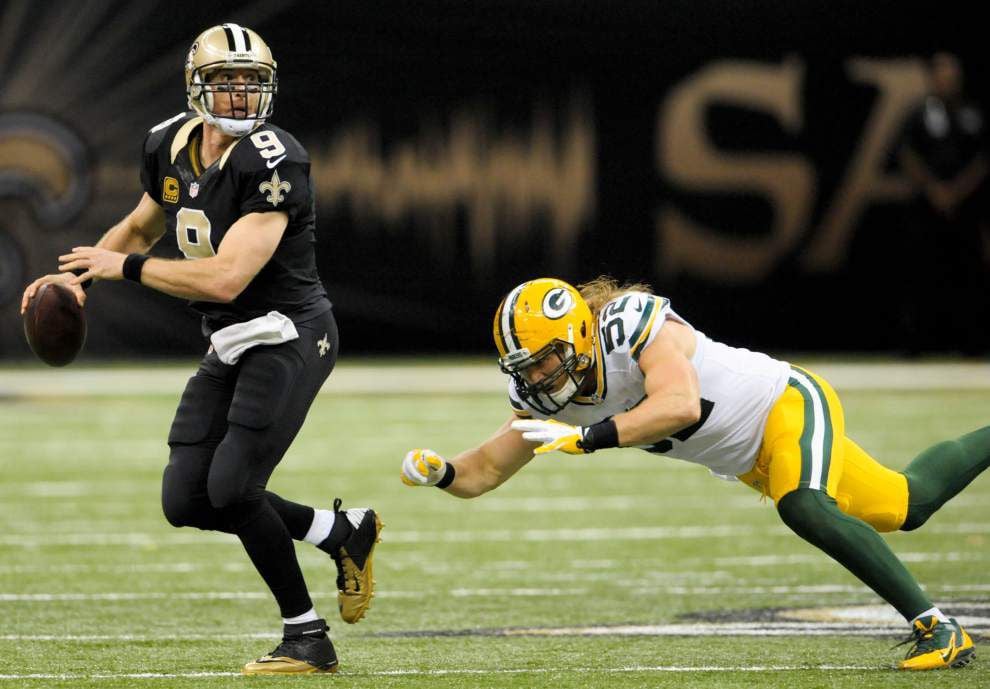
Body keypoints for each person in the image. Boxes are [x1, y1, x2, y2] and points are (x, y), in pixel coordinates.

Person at [20, 24, 382, 675]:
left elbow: (226, 277)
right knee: (186, 498)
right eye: (226, 83)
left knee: (234, 485)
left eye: (251, 83)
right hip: (233, 337)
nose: (241, 97)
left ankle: (307, 635)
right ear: (197, 87)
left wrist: (122, 270)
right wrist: (72, 281)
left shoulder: (273, 158)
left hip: (290, 331)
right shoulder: (168, 144)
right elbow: (139, 225)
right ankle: (340, 532)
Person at [400, 276, 988, 671]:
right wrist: (442, 471)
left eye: (545, 360)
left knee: (804, 506)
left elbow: (679, 404)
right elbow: (485, 472)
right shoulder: (551, 395)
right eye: (524, 368)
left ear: (578, 335)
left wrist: (590, 438)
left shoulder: (630, 327)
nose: (537, 378)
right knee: (907, 504)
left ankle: (939, 629)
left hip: (784, 404)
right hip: (753, 461)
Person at [897, 52, 989, 355]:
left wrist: (958, 190)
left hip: (965, 210)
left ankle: (972, 345)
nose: (947, 79)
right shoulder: (919, 115)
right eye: (941, 74)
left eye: (951, 74)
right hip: (927, 209)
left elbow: (981, 159)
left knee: (968, 275)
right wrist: (934, 189)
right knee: (923, 274)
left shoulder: (972, 114)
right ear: (932, 78)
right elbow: (908, 155)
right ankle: (916, 346)